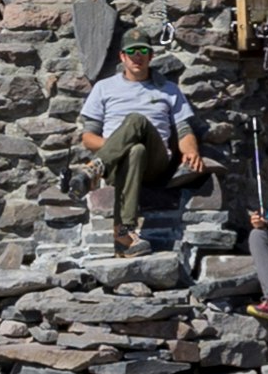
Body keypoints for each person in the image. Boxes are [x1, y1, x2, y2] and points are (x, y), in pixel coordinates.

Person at [78, 51, 201, 250]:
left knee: (136, 120)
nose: (138, 57)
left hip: (157, 164)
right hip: (117, 165)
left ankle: (94, 168)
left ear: (151, 55)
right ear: (122, 56)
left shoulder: (168, 89)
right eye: (132, 53)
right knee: (136, 150)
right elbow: (88, 138)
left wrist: (192, 151)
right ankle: (124, 235)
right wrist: (119, 143)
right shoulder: (104, 87)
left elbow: (183, 128)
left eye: (143, 51)